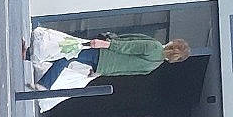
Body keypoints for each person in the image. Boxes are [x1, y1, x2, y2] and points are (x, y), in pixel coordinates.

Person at [25, 25, 191, 92]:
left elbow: (127, 46)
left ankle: (43, 82)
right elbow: (124, 71)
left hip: (103, 52)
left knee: (68, 52)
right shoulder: (154, 65)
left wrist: (103, 44)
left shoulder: (153, 47)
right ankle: (32, 61)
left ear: (172, 45)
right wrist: (100, 73)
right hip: (104, 65)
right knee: (67, 56)